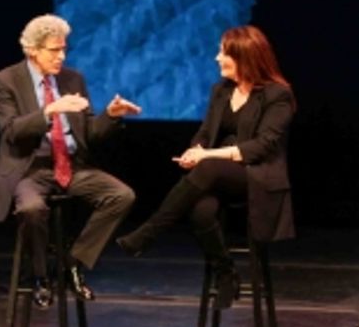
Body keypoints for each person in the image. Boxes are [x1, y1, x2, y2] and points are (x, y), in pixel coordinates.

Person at [116, 25, 294, 307]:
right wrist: (196, 150)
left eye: (223, 53)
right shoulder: (221, 90)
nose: (216, 58)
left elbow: (262, 147)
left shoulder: (277, 95)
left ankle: (149, 233)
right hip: (220, 174)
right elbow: (205, 131)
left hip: (257, 176)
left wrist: (208, 157)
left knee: (209, 167)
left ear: (245, 57)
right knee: (201, 212)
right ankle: (226, 273)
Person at [0, 14, 140, 308]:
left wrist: (110, 116)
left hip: (72, 165)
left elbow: (89, 135)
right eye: (53, 50)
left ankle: (73, 264)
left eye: (64, 49)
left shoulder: (73, 79)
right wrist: (49, 111)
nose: (61, 56)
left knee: (121, 196)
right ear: (33, 50)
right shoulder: (6, 80)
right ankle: (40, 277)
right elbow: (11, 132)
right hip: (30, 168)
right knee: (32, 209)